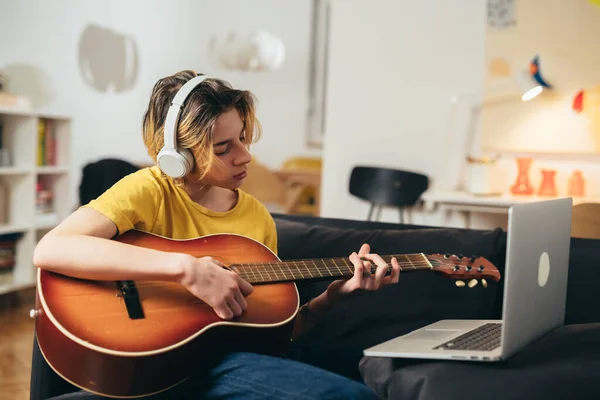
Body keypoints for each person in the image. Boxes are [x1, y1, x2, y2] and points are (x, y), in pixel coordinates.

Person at [33, 70, 401, 399]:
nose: (245, 157)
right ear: (178, 155)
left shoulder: (256, 218)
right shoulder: (149, 190)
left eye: (243, 138)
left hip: (221, 363)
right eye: (224, 148)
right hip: (148, 362)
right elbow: (53, 247)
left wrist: (336, 296)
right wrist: (186, 270)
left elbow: (275, 334)